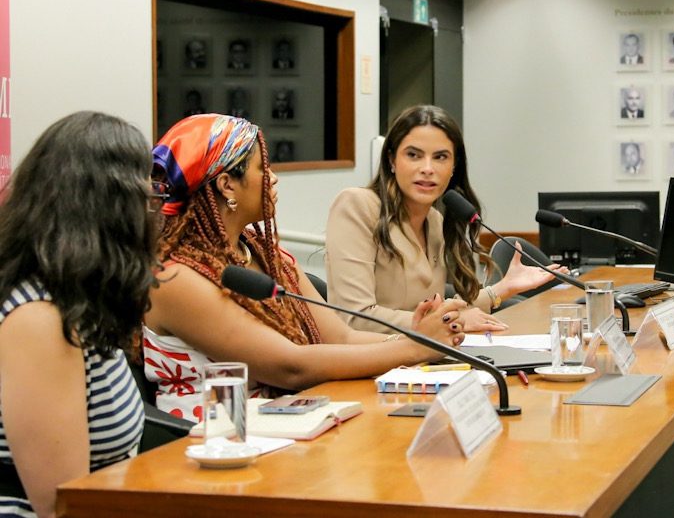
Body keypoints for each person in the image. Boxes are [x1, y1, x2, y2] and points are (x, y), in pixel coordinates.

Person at [144, 114, 466, 421]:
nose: (273, 178)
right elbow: (290, 367)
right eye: (262, 168)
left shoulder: (266, 255)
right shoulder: (174, 278)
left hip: (293, 422)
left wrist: (419, 338)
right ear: (227, 185)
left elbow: (341, 337)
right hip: (213, 441)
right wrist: (415, 347)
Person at [0, 112, 156, 517]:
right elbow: (61, 505)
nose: (151, 209)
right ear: (112, 207)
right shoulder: (38, 320)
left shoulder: (77, 300)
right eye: (145, 194)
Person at [325, 105, 565, 335]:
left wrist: (504, 288)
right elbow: (355, 318)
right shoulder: (357, 205)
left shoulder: (435, 221)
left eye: (440, 157)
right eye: (413, 155)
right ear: (391, 160)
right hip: (372, 357)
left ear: (453, 167)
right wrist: (449, 321)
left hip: (422, 356)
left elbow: (438, 311)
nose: (427, 168)